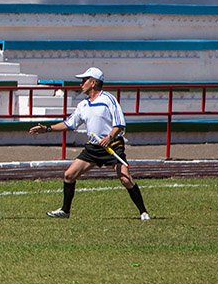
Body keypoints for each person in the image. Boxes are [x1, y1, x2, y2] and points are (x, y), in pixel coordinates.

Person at [29, 67, 150, 220]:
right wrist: (47, 129)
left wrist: (109, 137)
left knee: (125, 178)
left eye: (84, 80)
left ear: (93, 83)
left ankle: (143, 212)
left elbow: (119, 124)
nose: (81, 84)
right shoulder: (83, 105)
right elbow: (69, 124)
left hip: (112, 146)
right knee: (69, 175)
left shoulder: (108, 99)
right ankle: (65, 211)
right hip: (93, 148)